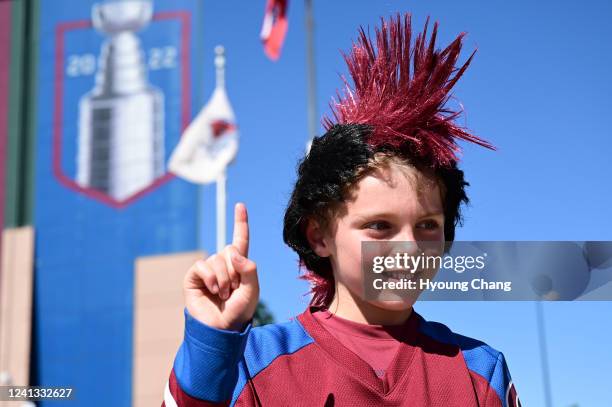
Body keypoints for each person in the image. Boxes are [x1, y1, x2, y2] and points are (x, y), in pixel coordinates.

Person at [163, 13, 521, 407]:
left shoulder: (480, 371)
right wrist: (210, 345)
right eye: (380, 225)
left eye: (427, 225)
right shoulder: (249, 361)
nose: (409, 247)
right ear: (319, 235)